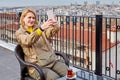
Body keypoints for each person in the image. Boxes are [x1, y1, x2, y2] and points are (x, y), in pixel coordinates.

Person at [15, 8, 68, 80]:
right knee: (55, 78)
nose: (32, 20)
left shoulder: (37, 28)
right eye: (29, 17)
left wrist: (55, 25)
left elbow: (49, 33)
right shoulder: (19, 33)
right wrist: (41, 29)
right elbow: (28, 41)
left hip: (50, 61)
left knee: (70, 73)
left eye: (33, 18)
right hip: (37, 66)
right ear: (23, 18)